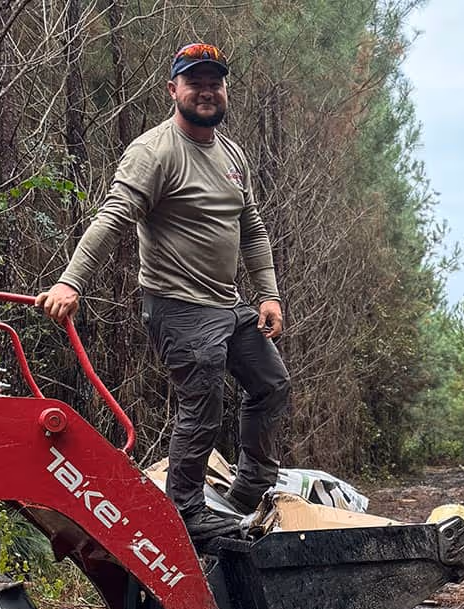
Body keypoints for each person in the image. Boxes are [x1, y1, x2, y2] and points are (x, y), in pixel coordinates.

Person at [37, 42, 290, 544]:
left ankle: (247, 491)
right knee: (203, 405)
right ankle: (185, 512)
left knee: (271, 384)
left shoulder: (230, 152)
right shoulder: (154, 151)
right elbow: (112, 218)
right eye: (194, 82)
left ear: (224, 90)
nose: (206, 91)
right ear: (173, 89)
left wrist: (269, 294)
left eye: (214, 82)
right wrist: (71, 281)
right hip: (178, 306)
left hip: (227, 303)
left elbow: (252, 227)